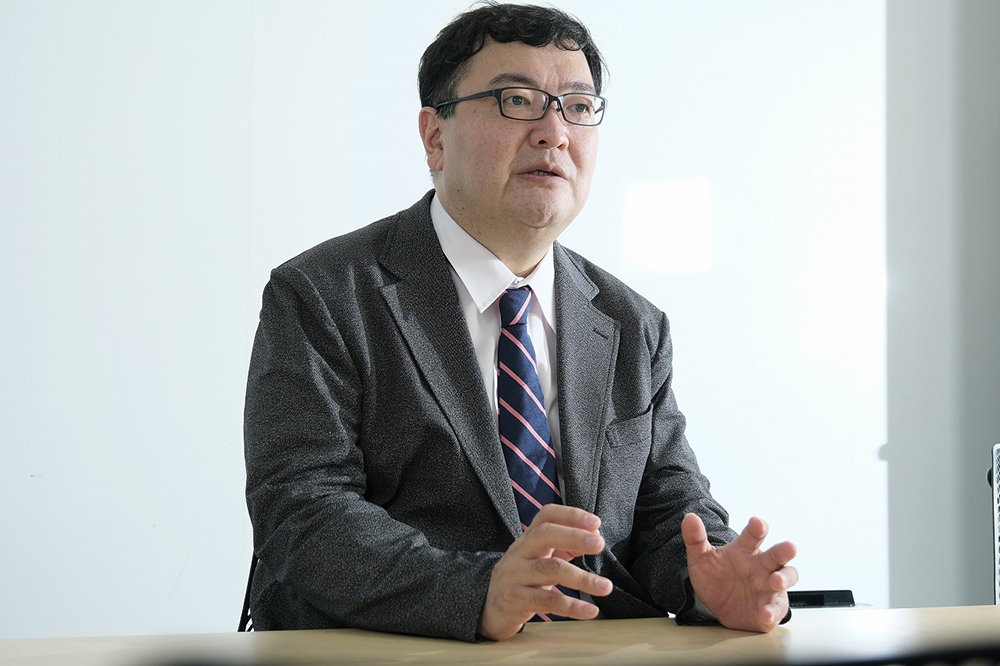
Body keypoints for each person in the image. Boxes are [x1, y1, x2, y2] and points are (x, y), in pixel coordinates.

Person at [243, 2, 797, 643]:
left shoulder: (631, 322)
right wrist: (478, 591)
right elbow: (303, 511)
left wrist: (708, 577)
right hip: (400, 650)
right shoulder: (324, 294)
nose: (554, 132)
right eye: (517, 101)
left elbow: (666, 504)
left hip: (595, 650)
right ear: (435, 135)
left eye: (577, 106)